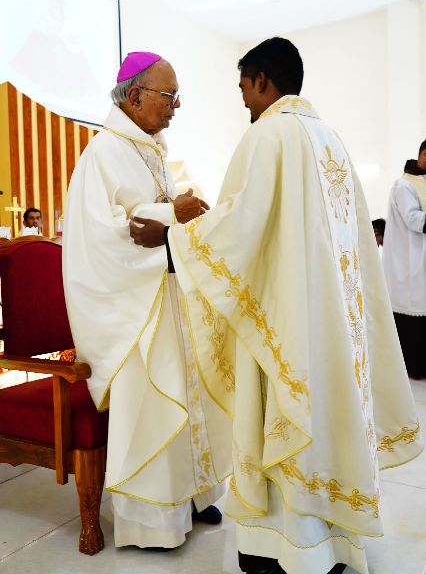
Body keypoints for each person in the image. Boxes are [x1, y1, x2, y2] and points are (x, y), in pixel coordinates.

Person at [130, 38, 422, 574]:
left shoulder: (268, 135)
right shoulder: (330, 139)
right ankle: (332, 547)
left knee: (285, 424)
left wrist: (169, 239)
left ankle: (284, 551)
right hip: (332, 326)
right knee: (327, 425)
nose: (243, 99)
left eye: (244, 87)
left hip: (286, 322)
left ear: (263, 80)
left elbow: (240, 227)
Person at [63, 51, 230, 553]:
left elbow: (154, 220)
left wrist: (183, 217)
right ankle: (154, 522)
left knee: (187, 396)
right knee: (154, 407)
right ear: (135, 96)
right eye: (170, 96)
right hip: (133, 309)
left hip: (164, 294)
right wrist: (171, 211)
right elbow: (104, 236)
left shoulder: (150, 149)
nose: (176, 106)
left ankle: (193, 497)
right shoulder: (102, 154)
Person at [382, 141, 426, 379]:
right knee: (413, 320)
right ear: (423, 155)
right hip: (410, 263)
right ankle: (414, 369)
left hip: (421, 264)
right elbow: (413, 219)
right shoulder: (404, 185)